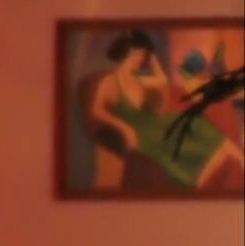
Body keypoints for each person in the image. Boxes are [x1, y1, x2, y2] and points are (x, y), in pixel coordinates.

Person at [89, 29, 244, 190]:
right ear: (130, 53)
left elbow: (162, 80)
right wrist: (123, 127)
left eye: (144, 55)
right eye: (140, 55)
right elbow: (97, 111)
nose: (142, 59)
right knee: (174, 142)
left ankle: (234, 154)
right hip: (142, 133)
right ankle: (207, 172)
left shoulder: (140, 80)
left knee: (194, 121)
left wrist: (153, 59)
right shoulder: (110, 81)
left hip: (156, 123)